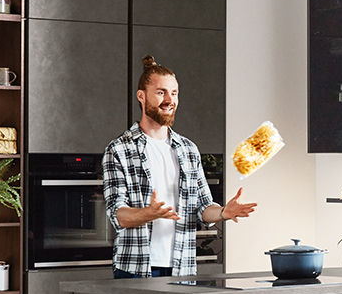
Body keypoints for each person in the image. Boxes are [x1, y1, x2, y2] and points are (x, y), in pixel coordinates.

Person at [102, 56, 257, 278]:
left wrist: (223, 212)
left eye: (174, 93)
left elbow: (203, 208)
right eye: (161, 92)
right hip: (135, 269)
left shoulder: (188, 149)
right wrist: (149, 213)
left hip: (182, 269)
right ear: (141, 96)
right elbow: (118, 214)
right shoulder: (119, 150)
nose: (169, 100)